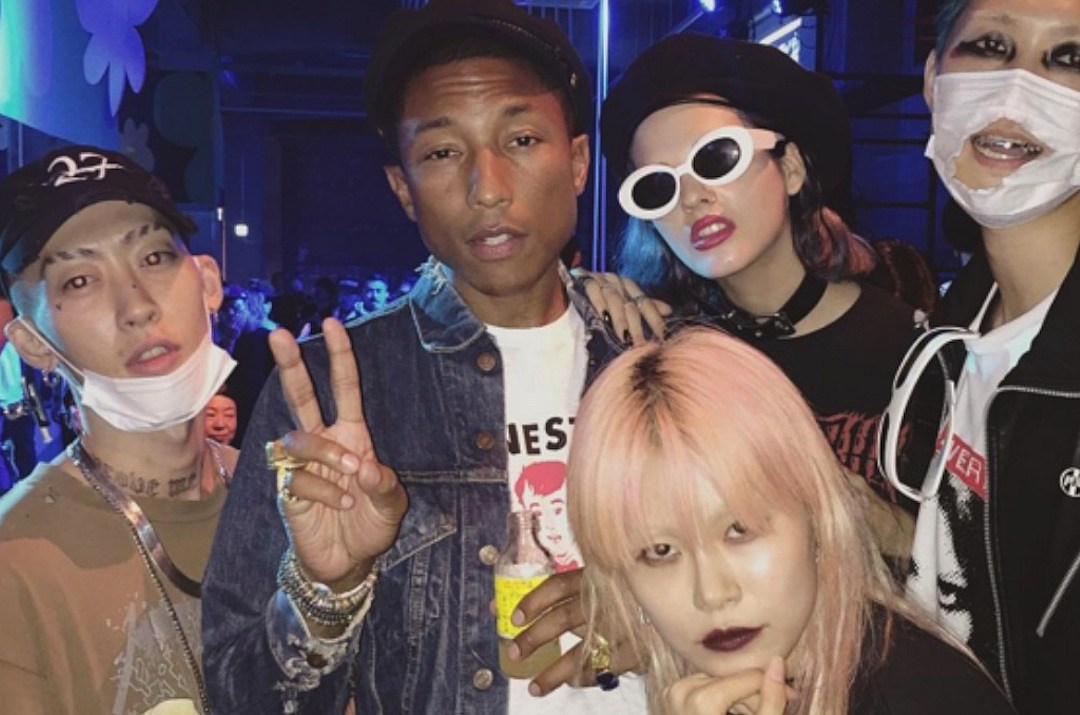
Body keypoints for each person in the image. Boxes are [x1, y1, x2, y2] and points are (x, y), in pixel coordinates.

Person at [201, 2, 648, 714]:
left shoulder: (660, 361)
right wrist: (327, 590)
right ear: (402, 188)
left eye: (522, 138)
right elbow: (240, 696)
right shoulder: (333, 392)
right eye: (442, 153)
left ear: (578, 162)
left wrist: (664, 619)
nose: (488, 187)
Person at [567, 327, 1016, 715]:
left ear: (816, 516)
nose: (712, 594)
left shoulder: (923, 693)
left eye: (739, 530)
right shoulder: (699, 692)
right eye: (660, 551)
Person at [598, 34, 920, 503]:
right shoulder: (663, 348)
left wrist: (883, 526)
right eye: (656, 186)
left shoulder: (910, 351)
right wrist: (579, 302)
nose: (692, 197)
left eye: (716, 158)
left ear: (790, 169)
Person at [876, 1, 1080, 712]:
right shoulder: (950, 334)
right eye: (990, 47)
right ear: (933, 80)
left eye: (1069, 59)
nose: (1017, 88)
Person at [0, 145, 239, 714]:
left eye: (154, 257)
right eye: (80, 281)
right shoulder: (15, 563)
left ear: (207, 281)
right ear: (32, 343)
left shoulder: (288, 492)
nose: (136, 305)